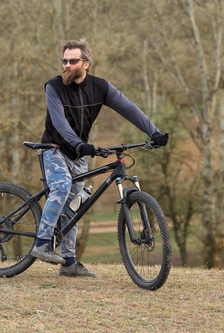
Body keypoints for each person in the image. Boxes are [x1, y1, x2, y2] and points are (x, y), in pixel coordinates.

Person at [30, 39, 168, 277]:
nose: (66, 65)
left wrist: (153, 132)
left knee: (74, 207)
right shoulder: (53, 87)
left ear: (86, 64)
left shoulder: (101, 88)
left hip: (79, 153)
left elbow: (129, 108)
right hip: (53, 148)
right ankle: (42, 243)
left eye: (73, 61)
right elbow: (60, 125)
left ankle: (69, 263)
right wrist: (80, 145)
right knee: (62, 187)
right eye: (64, 60)